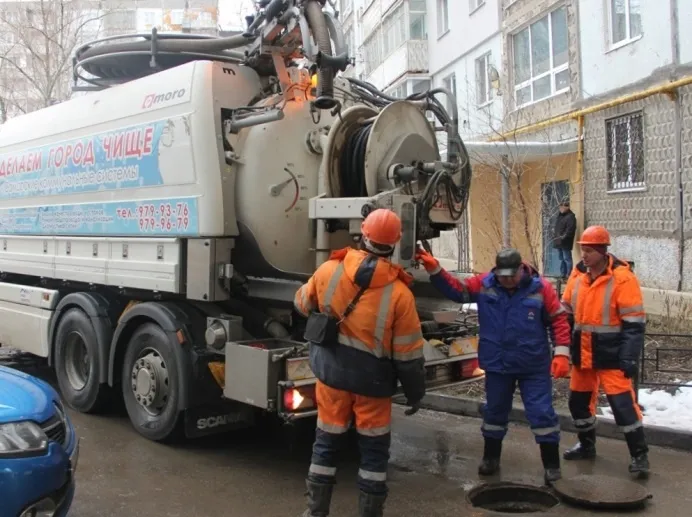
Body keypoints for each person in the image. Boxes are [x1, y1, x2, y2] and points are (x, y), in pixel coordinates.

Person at [294, 208, 427, 517]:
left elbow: (301, 303)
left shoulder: (330, 270)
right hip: (373, 385)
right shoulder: (400, 294)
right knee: (374, 454)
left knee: (326, 442)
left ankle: (315, 512)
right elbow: (408, 355)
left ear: (363, 235)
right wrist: (415, 392)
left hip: (332, 376)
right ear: (394, 244)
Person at [416, 246, 571, 485]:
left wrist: (562, 353)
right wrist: (436, 270)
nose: (507, 280)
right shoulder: (485, 284)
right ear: (496, 271)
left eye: (511, 275)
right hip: (498, 365)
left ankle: (551, 466)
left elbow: (559, 320)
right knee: (494, 413)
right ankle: (491, 458)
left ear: (522, 269)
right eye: (503, 275)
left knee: (542, 414)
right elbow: (458, 291)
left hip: (533, 366)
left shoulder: (541, 289)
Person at [561, 225, 649, 477]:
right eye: (582, 250)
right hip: (583, 353)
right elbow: (566, 314)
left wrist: (629, 357)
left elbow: (634, 325)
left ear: (602, 251)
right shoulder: (577, 276)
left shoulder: (623, 279)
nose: (584, 255)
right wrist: (562, 349)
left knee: (623, 407)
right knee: (578, 403)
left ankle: (640, 455)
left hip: (612, 356)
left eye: (588, 250)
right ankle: (587, 445)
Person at [553, 201, 577, 280]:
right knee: (561, 258)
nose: (561, 209)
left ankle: (569, 275)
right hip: (558, 241)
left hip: (565, 242)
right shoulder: (560, 216)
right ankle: (563, 274)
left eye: (562, 207)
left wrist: (563, 237)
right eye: (560, 207)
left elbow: (570, 229)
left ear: (567, 207)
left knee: (567, 258)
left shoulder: (571, 217)